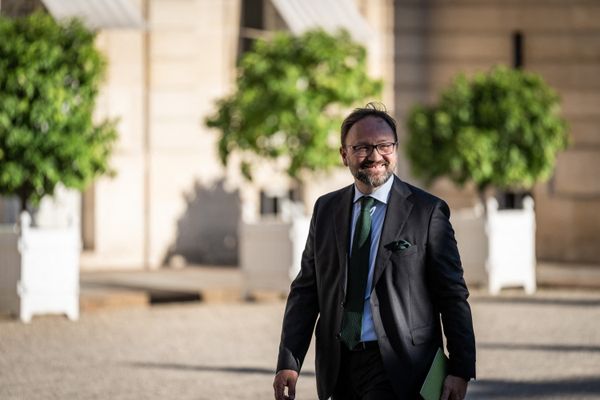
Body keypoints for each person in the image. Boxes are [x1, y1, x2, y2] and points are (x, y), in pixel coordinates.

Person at [273, 103, 476, 400]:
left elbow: (452, 294)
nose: (375, 155)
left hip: (402, 365)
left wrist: (460, 368)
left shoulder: (427, 212)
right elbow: (306, 290)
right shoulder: (326, 209)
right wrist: (289, 362)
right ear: (344, 155)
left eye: (384, 145)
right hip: (338, 366)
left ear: (395, 149)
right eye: (362, 147)